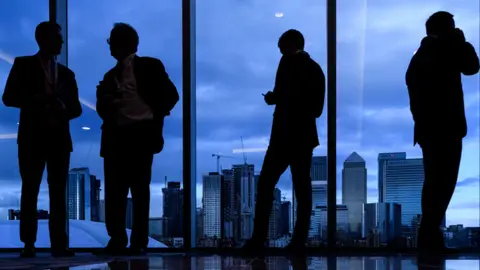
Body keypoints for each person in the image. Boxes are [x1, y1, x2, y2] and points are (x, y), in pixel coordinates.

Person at [96, 23, 179, 255]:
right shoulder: (110, 76)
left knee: (138, 190)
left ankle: (136, 241)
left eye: (112, 40)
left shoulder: (149, 66)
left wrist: (154, 114)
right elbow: (103, 109)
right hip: (117, 137)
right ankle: (120, 240)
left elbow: (171, 95)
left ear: (124, 43)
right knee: (116, 192)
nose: (110, 45)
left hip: (139, 136)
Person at [2, 21, 82, 258]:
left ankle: (50, 244)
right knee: (32, 191)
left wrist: (61, 107)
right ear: (43, 39)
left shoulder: (67, 74)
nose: (62, 42)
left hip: (51, 139)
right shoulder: (23, 65)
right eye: (58, 38)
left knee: (54, 193)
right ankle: (33, 243)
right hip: (35, 138)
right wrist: (39, 100)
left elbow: (76, 109)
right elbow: (8, 98)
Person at [242, 29, 325, 253]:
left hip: (282, 136)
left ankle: (258, 239)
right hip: (303, 137)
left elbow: (286, 96)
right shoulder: (315, 69)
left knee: (266, 185)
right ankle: (298, 241)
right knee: (302, 189)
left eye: (281, 49)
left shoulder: (286, 65)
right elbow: (317, 109)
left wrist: (277, 98)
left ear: (288, 47)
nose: (280, 52)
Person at [406, 11, 479, 252]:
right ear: (447, 29)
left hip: (430, 128)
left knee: (435, 182)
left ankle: (428, 235)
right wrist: (460, 42)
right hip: (446, 127)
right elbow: (472, 66)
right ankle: (429, 235)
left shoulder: (421, 55)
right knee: (444, 183)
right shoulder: (445, 51)